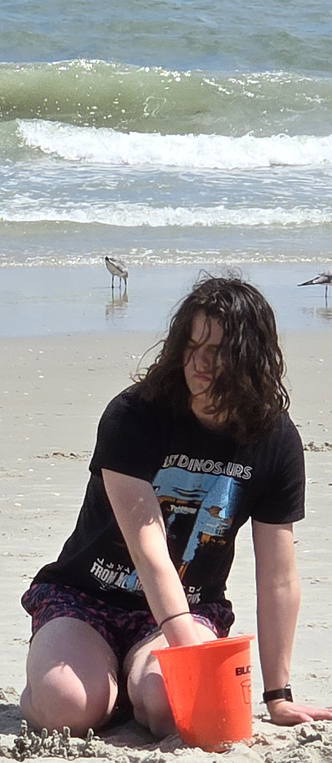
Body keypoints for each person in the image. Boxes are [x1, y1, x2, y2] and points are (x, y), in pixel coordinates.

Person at [20, 274, 332, 738]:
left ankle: (134, 681)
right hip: (86, 598)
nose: (200, 363)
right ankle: (92, 680)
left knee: (171, 711)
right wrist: (192, 659)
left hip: (192, 605)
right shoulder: (135, 416)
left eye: (218, 350)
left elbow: (278, 576)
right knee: (68, 706)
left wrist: (277, 695)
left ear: (250, 357)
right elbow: (149, 551)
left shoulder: (273, 440)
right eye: (192, 345)